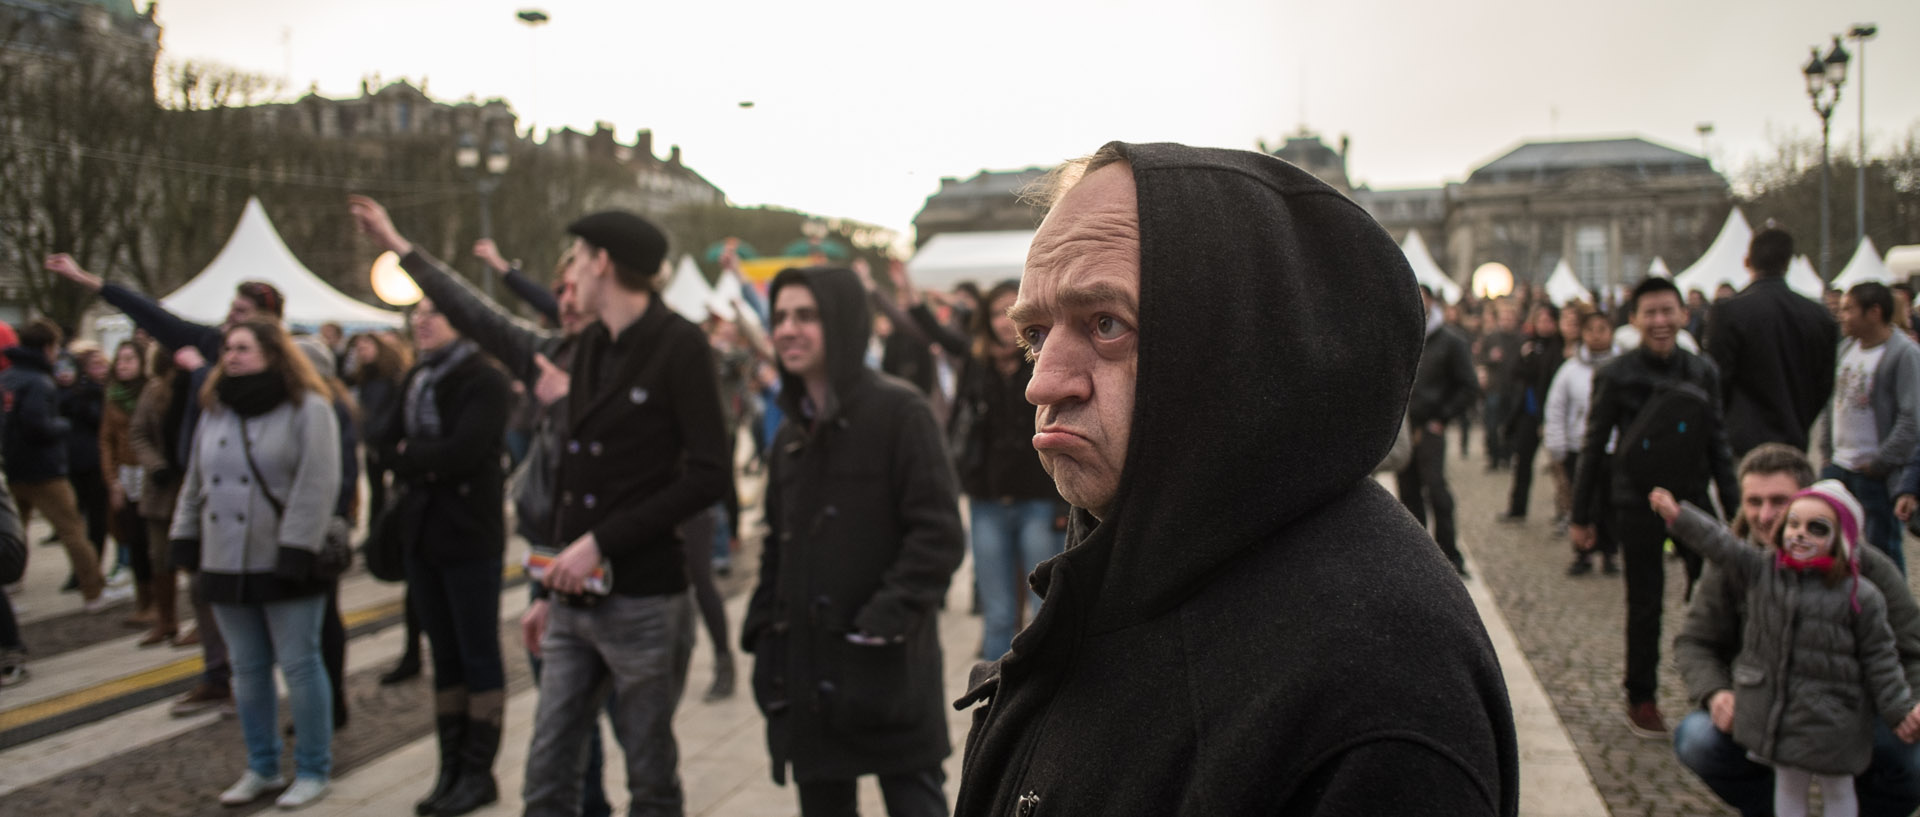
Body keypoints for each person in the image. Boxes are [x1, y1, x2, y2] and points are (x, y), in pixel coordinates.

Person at [953, 142, 1517, 815]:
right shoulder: (1130, 541)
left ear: (1242, 337)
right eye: (1036, 333)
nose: (1042, 380)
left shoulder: (1377, 691)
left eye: (1106, 324)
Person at [350, 195, 732, 817]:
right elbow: (480, 319)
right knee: (547, 778)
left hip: (642, 599)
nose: (570, 274)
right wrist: (552, 588)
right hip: (572, 596)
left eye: (577, 259)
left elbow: (709, 475)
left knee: (650, 778)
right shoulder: (582, 349)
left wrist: (600, 544)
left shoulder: (678, 346)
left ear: (602, 262)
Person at [741, 266, 965, 816]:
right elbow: (779, 542)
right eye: (781, 318)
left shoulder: (901, 411)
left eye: (806, 316)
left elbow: (938, 536)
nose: (788, 330)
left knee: (916, 802)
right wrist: (763, 624)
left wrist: (881, 621)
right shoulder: (790, 433)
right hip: (808, 676)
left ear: (840, 322)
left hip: (885, 672)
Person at [43, 252, 285, 716]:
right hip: (201, 486)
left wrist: (199, 372)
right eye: (230, 314)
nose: (230, 325)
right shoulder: (212, 344)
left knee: (259, 600)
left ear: (267, 323)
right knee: (203, 588)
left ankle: (258, 679)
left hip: (254, 498)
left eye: (241, 315)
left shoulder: (273, 367)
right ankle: (220, 676)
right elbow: (153, 314)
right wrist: (88, 280)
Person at [1677, 444, 1920, 817]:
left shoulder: (1869, 570)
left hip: (1850, 716)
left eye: (1780, 501)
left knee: (1912, 759)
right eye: (1754, 501)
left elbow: (1910, 648)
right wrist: (1715, 691)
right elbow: (1695, 641)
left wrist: (1911, 707)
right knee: (1698, 739)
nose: (1766, 514)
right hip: (1764, 711)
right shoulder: (1735, 563)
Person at [171, 320, 340, 810]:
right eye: (228, 348)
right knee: (246, 669)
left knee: (300, 664)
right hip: (225, 557)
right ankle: (262, 765)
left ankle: (313, 766)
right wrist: (184, 535)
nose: (233, 355)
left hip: (285, 557)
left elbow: (318, 481)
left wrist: (297, 546)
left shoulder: (308, 406)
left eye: (244, 347)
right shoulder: (217, 407)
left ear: (273, 352)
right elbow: (196, 479)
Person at [1572, 275, 1740, 738]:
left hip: (1693, 499)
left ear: (1684, 315)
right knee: (1644, 602)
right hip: (1636, 501)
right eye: (1651, 313)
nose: (1661, 321)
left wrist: (1738, 511)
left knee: (1721, 593)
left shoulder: (1702, 371)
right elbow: (1592, 446)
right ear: (1635, 320)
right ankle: (1641, 696)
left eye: (1668, 311)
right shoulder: (1617, 374)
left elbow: (1719, 445)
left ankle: (1723, 689)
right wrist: (1582, 518)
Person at [375, 298, 512, 816]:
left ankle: (479, 771)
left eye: (437, 311)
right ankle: (449, 767)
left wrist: (416, 459)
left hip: (470, 537)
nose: (423, 321)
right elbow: (383, 443)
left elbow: (466, 450)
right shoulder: (416, 380)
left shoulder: (485, 379)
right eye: (418, 313)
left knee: (477, 652)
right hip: (422, 536)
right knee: (444, 655)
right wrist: (419, 460)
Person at [887, 270, 1065, 659]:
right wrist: (906, 290)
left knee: (1042, 608)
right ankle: (996, 699)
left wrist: (1062, 504)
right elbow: (931, 328)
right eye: (997, 313)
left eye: (1011, 312)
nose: (1004, 321)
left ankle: (1043, 695)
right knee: (997, 613)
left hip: (1037, 499)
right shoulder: (975, 358)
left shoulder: (1047, 358)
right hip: (986, 502)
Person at [1, 319, 126, 613]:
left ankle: (8, 588)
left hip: (15, 467)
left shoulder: (8, 378)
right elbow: (38, 425)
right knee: (73, 531)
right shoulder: (39, 381)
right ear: (47, 348)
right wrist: (63, 425)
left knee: (12, 533)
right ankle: (94, 592)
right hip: (45, 471)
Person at [1705, 228, 1838, 456]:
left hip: (1742, 442)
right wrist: (1800, 417)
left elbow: (1717, 382)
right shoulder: (1819, 316)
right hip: (1794, 436)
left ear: (1747, 261)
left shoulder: (1728, 312)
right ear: (1787, 263)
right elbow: (1824, 383)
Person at [1818, 282, 1920, 574]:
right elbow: (1833, 403)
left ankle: (1893, 615)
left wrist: (1880, 462)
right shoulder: (1846, 349)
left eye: (1849, 309)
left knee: (1882, 553)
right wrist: (1827, 453)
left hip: (1875, 473)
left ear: (1874, 312)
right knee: (1832, 547)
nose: (1842, 314)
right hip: (1838, 466)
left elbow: (1911, 418)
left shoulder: (1904, 354)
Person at [1399, 284, 1480, 576]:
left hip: (1432, 427)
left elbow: (1469, 387)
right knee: (1408, 495)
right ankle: (1418, 558)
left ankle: (1449, 555)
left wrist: (1442, 418)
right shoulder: (1401, 336)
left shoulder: (1451, 341)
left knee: (1437, 490)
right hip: (1404, 429)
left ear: (1432, 301)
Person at [1544, 310, 1620, 575]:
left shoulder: (1623, 367)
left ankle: (1610, 551)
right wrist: (1557, 445)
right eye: (1591, 330)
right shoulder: (1570, 371)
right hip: (1580, 447)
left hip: (1615, 448)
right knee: (1582, 501)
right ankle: (1583, 552)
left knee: (1611, 502)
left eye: (1602, 329)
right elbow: (1556, 408)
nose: (1597, 336)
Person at [130, 345, 190, 646]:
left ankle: (205, 624)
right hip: (161, 486)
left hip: (191, 484)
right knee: (160, 557)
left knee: (197, 558)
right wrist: (155, 464)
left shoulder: (197, 384)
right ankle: (166, 619)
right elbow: (138, 432)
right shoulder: (152, 391)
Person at [100, 339, 155, 628]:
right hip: (126, 474)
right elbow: (106, 440)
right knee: (132, 537)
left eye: (129, 359)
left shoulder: (153, 392)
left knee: (152, 541)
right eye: (119, 359)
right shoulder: (113, 397)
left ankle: (160, 604)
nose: (122, 365)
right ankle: (143, 600)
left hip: (151, 473)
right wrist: (112, 481)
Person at [1499, 302, 1564, 522]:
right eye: (1540, 320)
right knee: (1523, 460)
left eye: (1548, 320)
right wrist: (1526, 356)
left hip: (1550, 412)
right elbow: (1517, 374)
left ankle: (1564, 511)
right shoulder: (1530, 345)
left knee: (1558, 465)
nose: (1544, 325)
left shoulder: (1559, 348)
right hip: (1528, 412)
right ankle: (1517, 507)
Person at [1477, 300, 1524, 470]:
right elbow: (1480, 359)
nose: (1507, 321)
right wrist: (1490, 359)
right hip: (1494, 388)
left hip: (1513, 388)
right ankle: (1493, 457)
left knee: (1510, 425)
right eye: (1504, 318)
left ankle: (1507, 456)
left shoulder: (1521, 339)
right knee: (1491, 425)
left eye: (1510, 318)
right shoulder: (1491, 338)